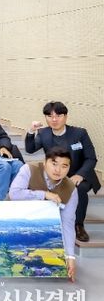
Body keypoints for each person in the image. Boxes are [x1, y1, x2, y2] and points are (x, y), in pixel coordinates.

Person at [25, 101, 100, 242]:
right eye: (50, 116)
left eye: (58, 116)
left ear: (65, 117)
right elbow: (30, 149)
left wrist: (80, 175)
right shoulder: (43, 133)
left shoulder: (79, 133)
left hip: (79, 173)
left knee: (79, 189)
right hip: (56, 174)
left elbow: (91, 158)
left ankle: (78, 225)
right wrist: (30, 132)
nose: (54, 120)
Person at [9, 147, 78, 281]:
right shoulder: (29, 169)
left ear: (69, 168)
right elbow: (14, 193)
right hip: (16, 220)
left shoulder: (71, 189)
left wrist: (70, 256)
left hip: (41, 227)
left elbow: (68, 223)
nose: (58, 170)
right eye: (54, 163)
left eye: (64, 166)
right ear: (45, 162)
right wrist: (44, 195)